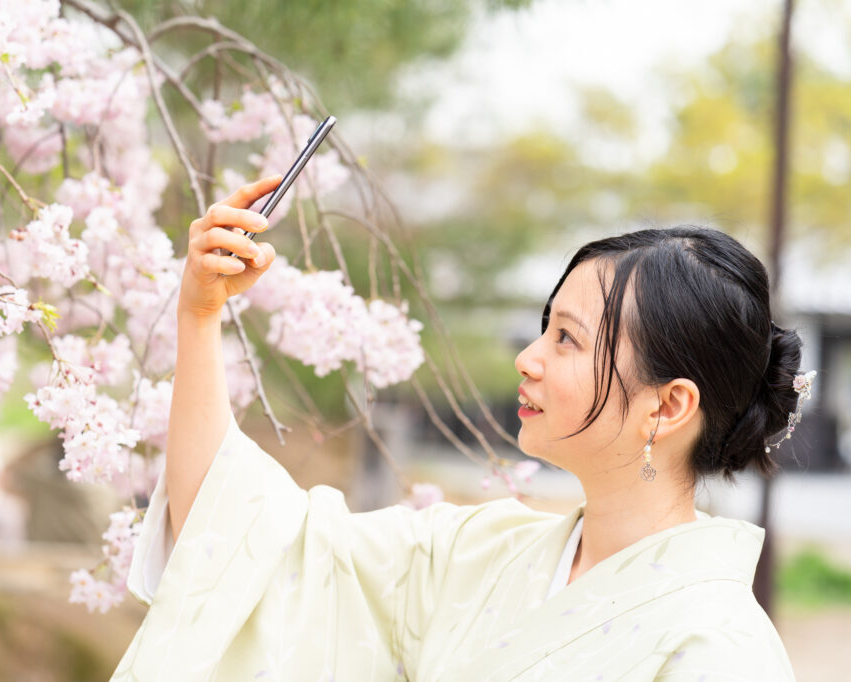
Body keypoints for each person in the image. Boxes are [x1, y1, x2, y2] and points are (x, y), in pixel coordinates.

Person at [112, 176, 799, 681]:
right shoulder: (476, 555)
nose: (527, 360)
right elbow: (237, 540)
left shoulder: (718, 648)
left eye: (567, 339)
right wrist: (199, 318)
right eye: (543, 328)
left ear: (669, 405)